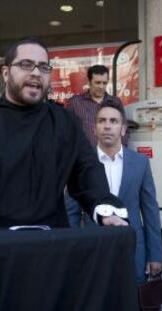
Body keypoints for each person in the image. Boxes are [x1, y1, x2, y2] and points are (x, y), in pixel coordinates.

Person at [0, 37, 127, 230]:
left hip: (50, 245)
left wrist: (104, 209)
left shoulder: (65, 122)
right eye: (26, 64)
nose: (36, 73)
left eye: (43, 67)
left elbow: (87, 170)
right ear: (5, 73)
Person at [85, 98, 162, 282]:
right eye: (102, 121)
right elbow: (71, 212)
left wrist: (155, 255)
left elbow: (150, 210)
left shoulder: (140, 163)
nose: (107, 126)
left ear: (123, 128)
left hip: (133, 250)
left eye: (113, 121)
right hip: (92, 251)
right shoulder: (83, 164)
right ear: (94, 128)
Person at [65, 65, 125, 227]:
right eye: (97, 83)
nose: (101, 87)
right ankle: (73, 245)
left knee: (106, 207)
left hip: (109, 161)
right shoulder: (75, 103)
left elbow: (122, 130)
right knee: (72, 209)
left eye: (105, 83)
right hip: (81, 166)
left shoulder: (114, 102)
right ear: (89, 82)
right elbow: (67, 135)